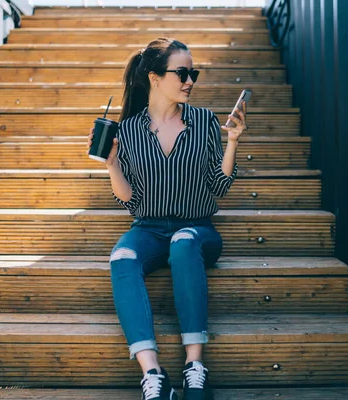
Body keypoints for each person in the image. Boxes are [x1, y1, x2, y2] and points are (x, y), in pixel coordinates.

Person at [87, 37, 247, 400]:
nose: (190, 80)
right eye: (182, 72)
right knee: (122, 257)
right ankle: (153, 375)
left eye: (193, 72)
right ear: (155, 78)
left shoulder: (204, 121)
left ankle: (195, 367)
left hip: (199, 230)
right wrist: (111, 162)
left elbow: (218, 186)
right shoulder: (127, 131)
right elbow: (131, 199)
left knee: (184, 240)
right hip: (147, 229)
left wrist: (233, 141)